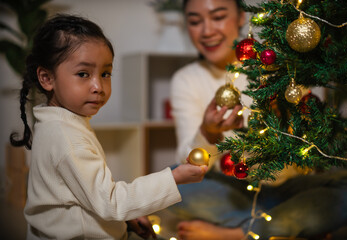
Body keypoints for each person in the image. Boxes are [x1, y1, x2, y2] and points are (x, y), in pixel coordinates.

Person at [169, 0, 347, 239]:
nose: (207, 31)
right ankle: (285, 228)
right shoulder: (186, 79)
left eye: (218, 17)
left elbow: (314, 144)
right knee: (172, 181)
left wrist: (286, 119)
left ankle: (238, 234)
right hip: (231, 189)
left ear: (241, 18)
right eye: (195, 21)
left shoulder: (274, 65)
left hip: (287, 188)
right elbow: (186, 163)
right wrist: (208, 132)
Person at [9, 14, 208, 240]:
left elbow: (87, 195)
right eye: (83, 74)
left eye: (105, 74)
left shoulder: (59, 123)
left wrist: (125, 218)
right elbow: (110, 202)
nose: (98, 86)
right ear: (46, 78)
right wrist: (175, 177)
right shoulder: (66, 138)